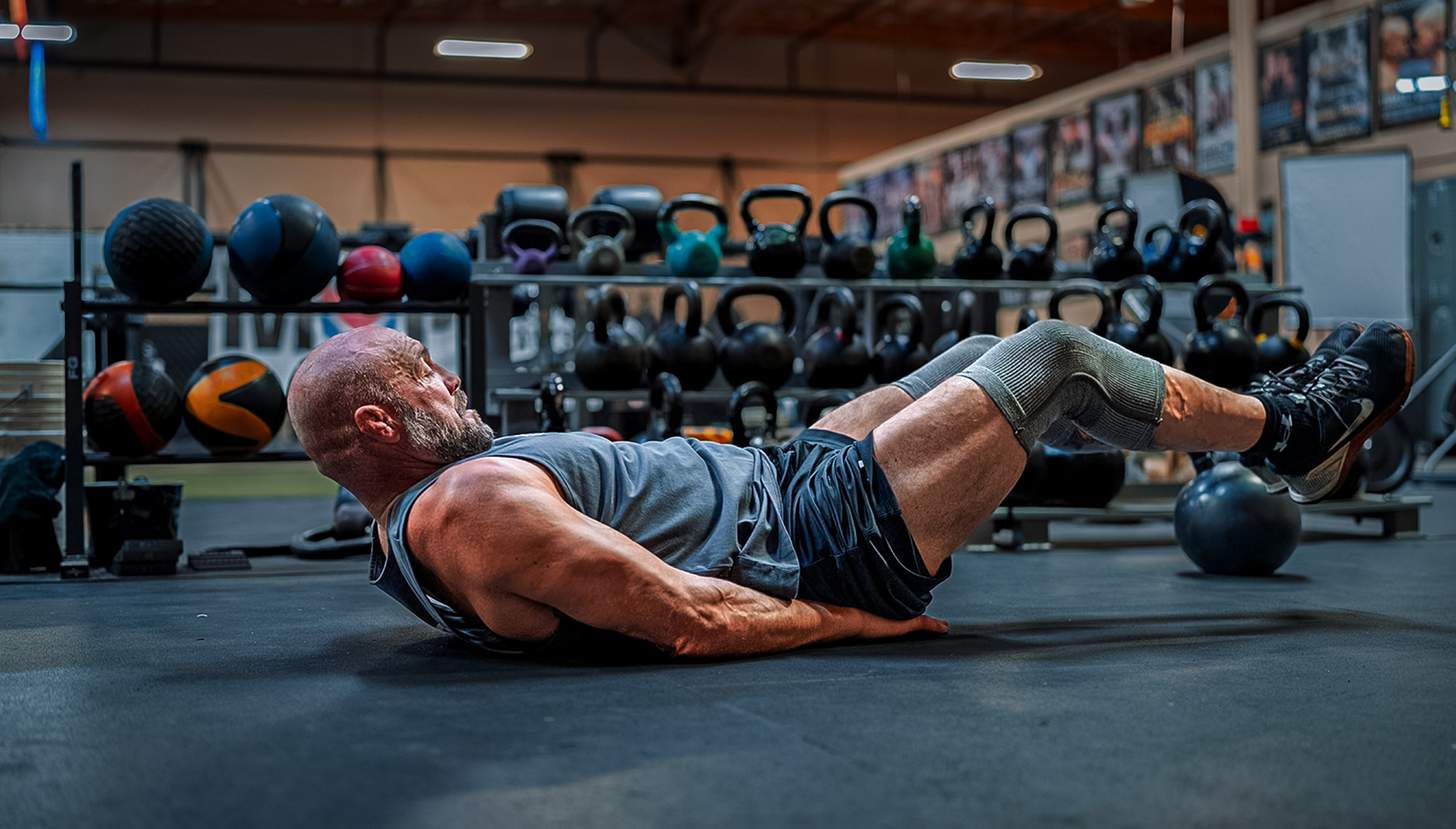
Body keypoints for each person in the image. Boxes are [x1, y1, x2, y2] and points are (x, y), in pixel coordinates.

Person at [287, 317, 1414, 659]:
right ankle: (1292, 428)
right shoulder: (463, 511)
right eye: (423, 376)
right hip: (821, 535)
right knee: (1053, 357)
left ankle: (1277, 435)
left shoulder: (427, 508)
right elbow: (684, 619)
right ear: (380, 424)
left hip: (791, 471)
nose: (449, 379)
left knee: (986, 347)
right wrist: (856, 620)